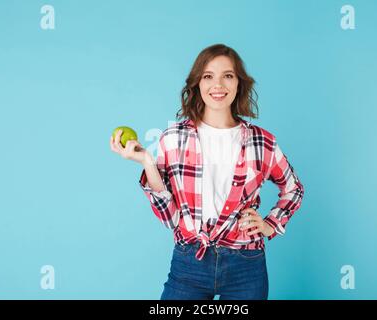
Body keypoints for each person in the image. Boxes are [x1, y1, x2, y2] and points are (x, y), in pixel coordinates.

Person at [110, 44, 305, 300]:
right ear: (197, 84)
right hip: (189, 262)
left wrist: (270, 225)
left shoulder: (262, 142)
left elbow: (294, 188)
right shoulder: (173, 138)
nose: (218, 84)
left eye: (228, 75)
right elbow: (170, 219)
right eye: (208, 76)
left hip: (246, 265)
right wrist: (147, 161)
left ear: (239, 84)